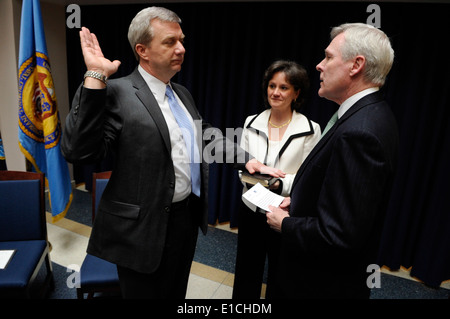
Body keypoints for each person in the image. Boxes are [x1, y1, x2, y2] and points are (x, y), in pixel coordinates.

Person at [61, 6, 284, 299]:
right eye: (170, 42)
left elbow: (205, 133)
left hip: (184, 220)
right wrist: (95, 76)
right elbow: (78, 150)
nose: (181, 48)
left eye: (181, 40)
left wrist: (248, 160)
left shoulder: (181, 93)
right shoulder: (116, 92)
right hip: (141, 228)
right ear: (143, 50)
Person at [266, 23, 399, 298]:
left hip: (319, 284)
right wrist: (301, 200)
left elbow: (338, 234)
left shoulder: (360, 132)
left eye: (328, 57)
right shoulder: (366, 115)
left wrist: (286, 223)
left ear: (356, 65)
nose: (318, 66)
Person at [232, 60, 321, 299]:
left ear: (296, 93)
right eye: (272, 86)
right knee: (245, 273)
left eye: (283, 87)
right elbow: (242, 165)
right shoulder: (251, 122)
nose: (276, 92)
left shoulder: (312, 129)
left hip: (285, 213)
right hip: (251, 208)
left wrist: (280, 184)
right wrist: (255, 179)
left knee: (281, 278)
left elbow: (308, 179)